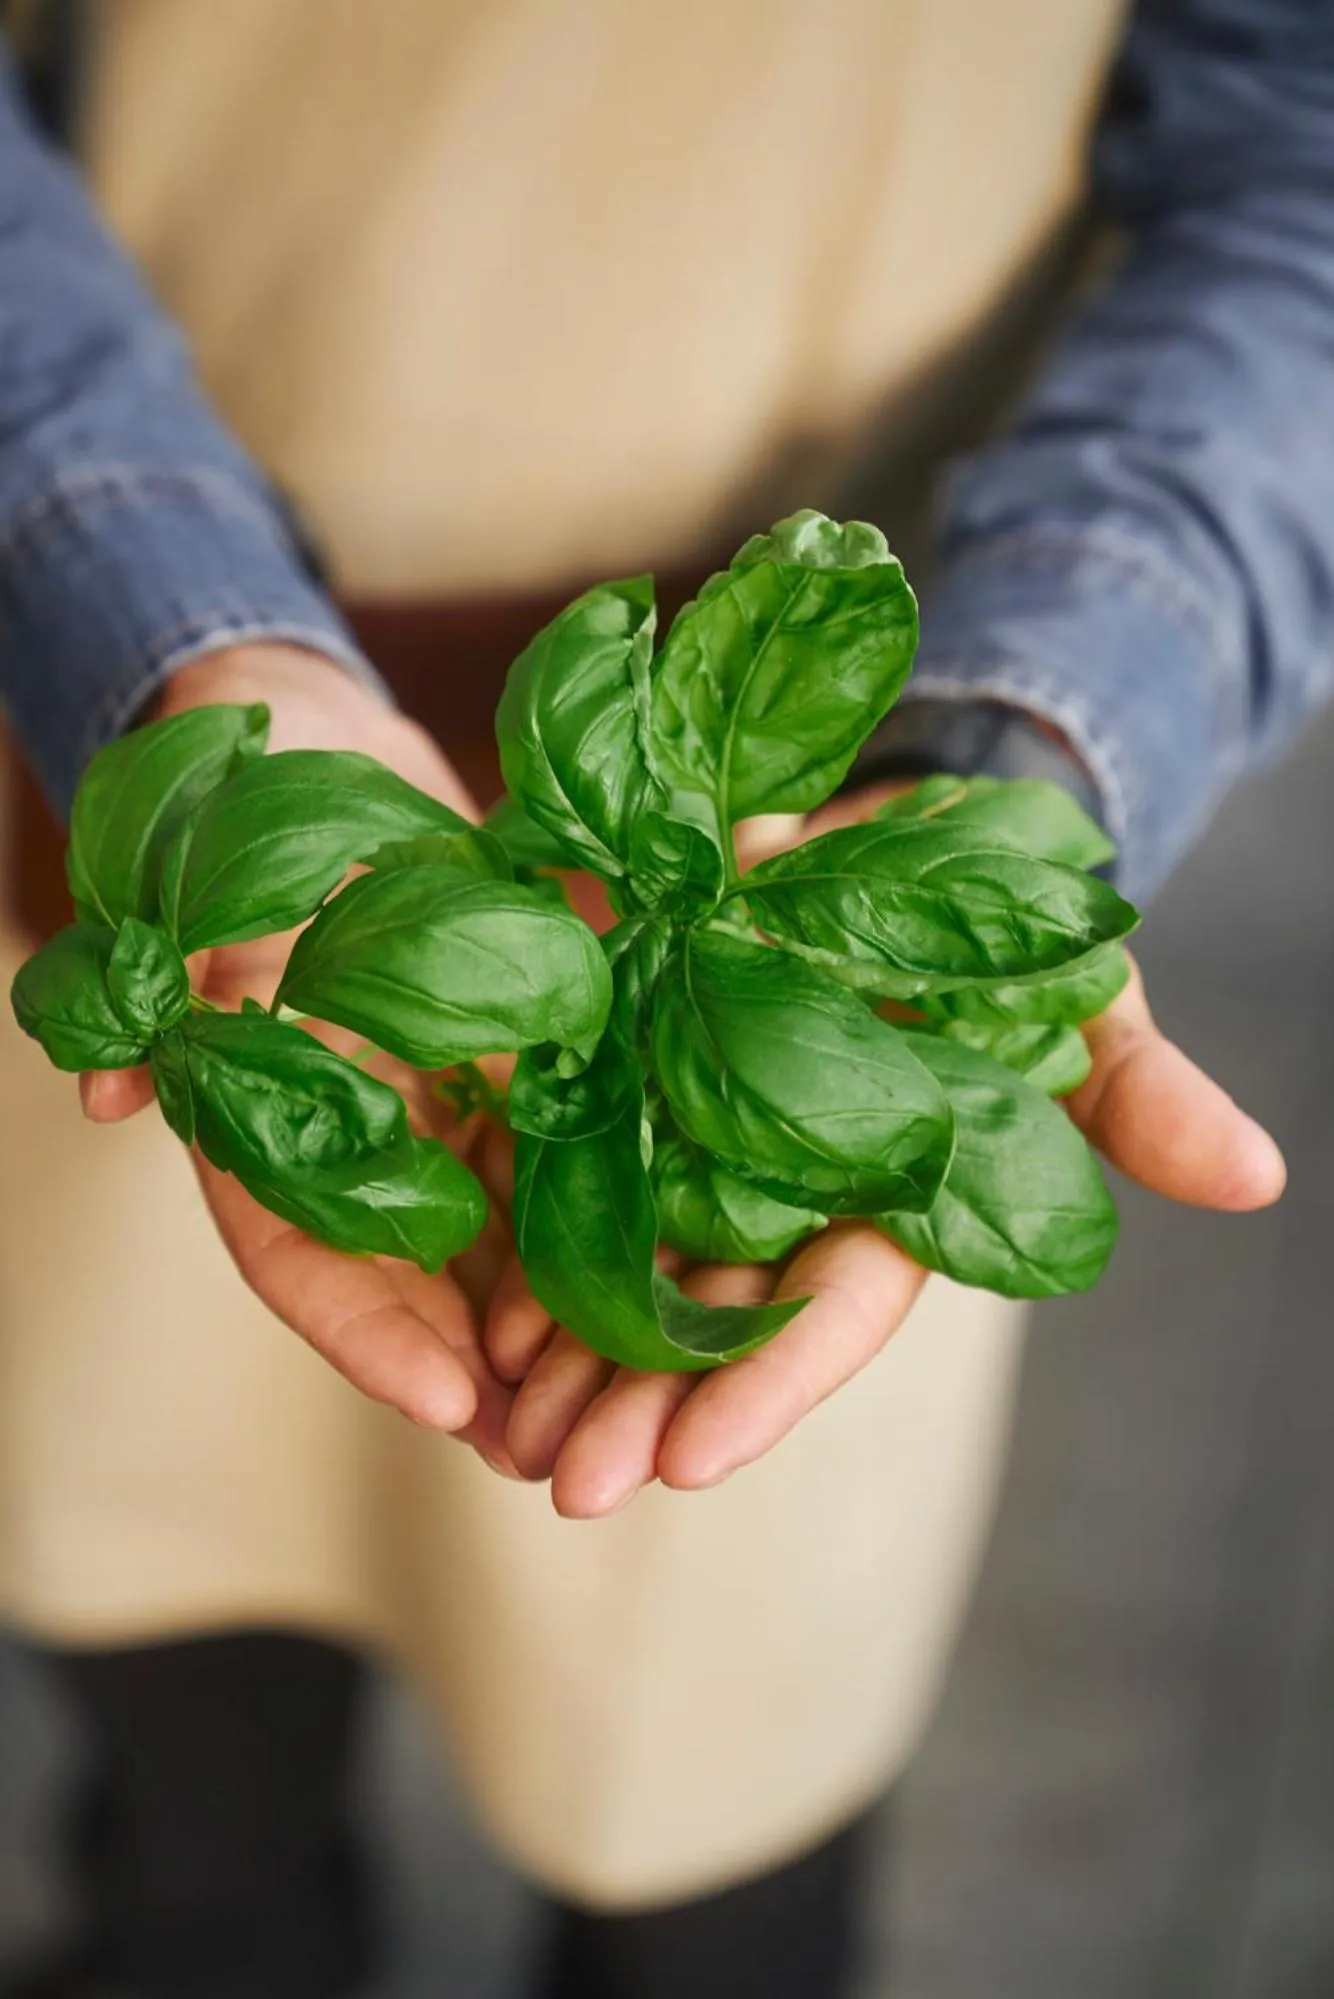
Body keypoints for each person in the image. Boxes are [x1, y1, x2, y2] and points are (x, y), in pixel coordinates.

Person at [0, 1, 1327, 1994]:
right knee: (175, 1739)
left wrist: (1036, 719)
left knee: (709, 1820)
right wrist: (137, 592)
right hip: (158, 817)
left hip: (805, 913)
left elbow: (1301, 149)